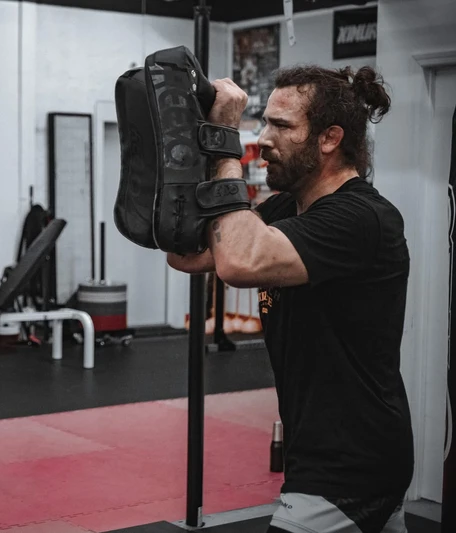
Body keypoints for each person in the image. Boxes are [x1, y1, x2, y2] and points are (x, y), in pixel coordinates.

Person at [168, 65, 414, 533]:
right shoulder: (287, 207)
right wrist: (181, 156)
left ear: (329, 138)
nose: (262, 139)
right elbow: (189, 255)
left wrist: (225, 140)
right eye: (263, 123)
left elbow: (239, 261)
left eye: (281, 126)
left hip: (349, 464)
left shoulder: (361, 218)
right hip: (332, 453)